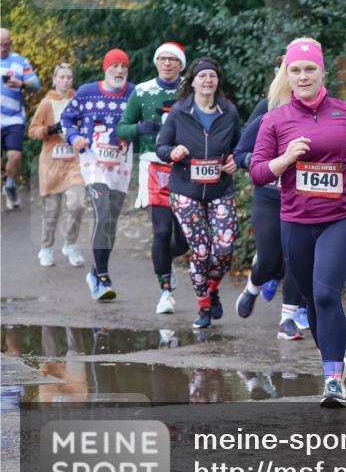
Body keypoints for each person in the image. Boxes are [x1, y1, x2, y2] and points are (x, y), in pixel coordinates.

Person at [250, 38, 346, 407]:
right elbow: (258, 172)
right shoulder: (275, 120)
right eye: (295, 70)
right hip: (295, 220)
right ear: (287, 75)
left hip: (341, 217)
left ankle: (332, 380)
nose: (303, 75)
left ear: (323, 72)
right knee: (311, 301)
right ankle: (337, 361)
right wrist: (286, 159)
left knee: (326, 294)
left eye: (310, 69)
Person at [155, 57, 242, 328]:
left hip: (220, 190)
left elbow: (239, 148)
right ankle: (203, 306)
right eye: (202, 76)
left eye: (212, 76)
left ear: (217, 81)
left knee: (224, 248)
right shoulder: (180, 112)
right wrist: (172, 152)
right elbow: (161, 146)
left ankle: (212, 287)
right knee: (202, 252)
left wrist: (235, 160)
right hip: (186, 191)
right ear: (191, 81)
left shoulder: (228, 112)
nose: (207, 81)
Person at [233, 56, 310, 341]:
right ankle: (252, 289)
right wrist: (264, 161)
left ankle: (287, 319)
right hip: (269, 195)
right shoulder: (269, 111)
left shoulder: (323, 116)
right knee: (269, 259)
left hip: (303, 198)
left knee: (296, 258)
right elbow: (240, 153)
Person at [118, 41, 190, 314]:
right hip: (154, 166)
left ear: (181, 64)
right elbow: (122, 129)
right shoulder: (142, 91)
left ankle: (165, 262)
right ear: (156, 62)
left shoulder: (190, 90)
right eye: (163, 59)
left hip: (185, 166)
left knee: (184, 238)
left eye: (173, 59)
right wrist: (138, 128)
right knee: (161, 231)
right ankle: (165, 291)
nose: (168, 63)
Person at [60, 48, 135, 300]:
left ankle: (95, 271)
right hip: (93, 162)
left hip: (121, 163)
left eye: (123, 66)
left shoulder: (134, 93)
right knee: (102, 214)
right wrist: (75, 137)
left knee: (110, 221)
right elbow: (66, 119)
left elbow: (146, 122)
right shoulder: (87, 92)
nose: (120, 71)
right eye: (115, 66)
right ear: (105, 68)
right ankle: (102, 277)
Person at [27, 63, 85, 267]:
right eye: (61, 77)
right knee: (52, 211)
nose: (65, 80)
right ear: (54, 80)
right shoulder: (46, 103)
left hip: (74, 162)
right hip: (51, 163)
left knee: (77, 204)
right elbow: (32, 131)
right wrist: (50, 129)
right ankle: (46, 247)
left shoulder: (78, 100)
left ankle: (70, 244)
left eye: (69, 77)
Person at [1, 27, 42, 209]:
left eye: (6, 45)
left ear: (11, 43)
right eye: (0, 45)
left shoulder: (20, 61)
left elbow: (37, 84)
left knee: (15, 156)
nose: (3, 49)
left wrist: (22, 83)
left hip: (13, 119)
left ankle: (10, 185)